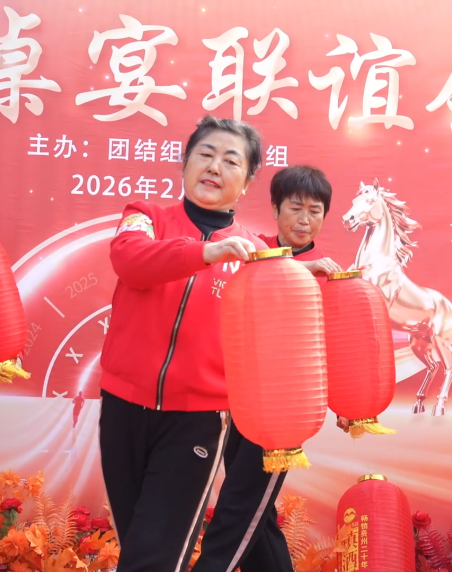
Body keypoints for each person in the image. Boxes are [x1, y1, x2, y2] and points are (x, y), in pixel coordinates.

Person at [98, 115, 292, 572]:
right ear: (185, 163)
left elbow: (278, 322)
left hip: (196, 421)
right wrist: (203, 253)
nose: (214, 167)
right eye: (205, 154)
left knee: (155, 558)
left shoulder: (254, 255)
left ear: (247, 182)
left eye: (231, 161)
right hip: (122, 408)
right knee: (138, 545)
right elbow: (131, 261)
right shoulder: (145, 217)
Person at [258, 164, 343, 279]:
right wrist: (305, 267)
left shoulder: (327, 273)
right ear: (276, 210)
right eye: (296, 209)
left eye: (314, 211)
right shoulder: (254, 247)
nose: (304, 220)